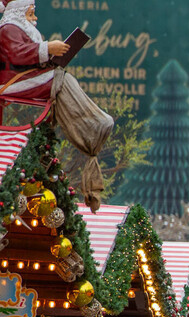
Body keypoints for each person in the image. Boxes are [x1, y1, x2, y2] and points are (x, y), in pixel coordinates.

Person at [0, 0, 113, 207]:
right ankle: (92, 124)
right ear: (19, 11)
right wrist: (47, 48)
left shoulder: (16, 28)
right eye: (31, 13)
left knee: (60, 77)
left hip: (22, 78)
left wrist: (50, 54)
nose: (34, 19)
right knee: (60, 79)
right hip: (11, 83)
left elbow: (26, 56)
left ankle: (92, 123)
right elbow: (18, 54)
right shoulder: (8, 29)